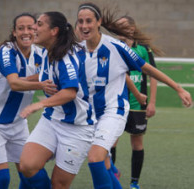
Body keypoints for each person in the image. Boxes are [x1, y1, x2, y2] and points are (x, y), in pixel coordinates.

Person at [76, 2, 192, 189]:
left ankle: (134, 182)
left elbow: (149, 70)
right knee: (104, 162)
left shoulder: (116, 47)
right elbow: (121, 74)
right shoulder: (77, 49)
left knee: (95, 158)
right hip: (92, 114)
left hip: (114, 110)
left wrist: (178, 88)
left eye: (88, 21)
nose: (84, 26)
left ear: (99, 22)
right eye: (80, 21)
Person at [0, 13, 57, 189]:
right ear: (14, 32)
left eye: (30, 28)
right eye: (21, 28)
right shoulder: (6, 51)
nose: (26, 32)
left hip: (18, 123)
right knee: (3, 179)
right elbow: (14, 83)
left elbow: (41, 75)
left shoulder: (40, 53)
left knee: (31, 175)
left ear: (36, 30)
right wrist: (42, 85)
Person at [19, 11, 95, 189]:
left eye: (39, 24)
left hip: (78, 127)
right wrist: (22, 80)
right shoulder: (48, 52)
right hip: (52, 120)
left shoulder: (66, 57)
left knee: (59, 184)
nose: (34, 28)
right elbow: (47, 75)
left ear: (53, 31)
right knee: (27, 166)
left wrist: (39, 104)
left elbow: (69, 92)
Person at [110, 15, 162, 189]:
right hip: (116, 104)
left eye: (124, 27)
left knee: (137, 143)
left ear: (132, 29)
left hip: (138, 106)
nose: (120, 30)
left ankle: (134, 183)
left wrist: (152, 102)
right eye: (117, 27)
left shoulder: (143, 50)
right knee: (111, 142)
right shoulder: (114, 48)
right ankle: (112, 176)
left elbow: (153, 75)